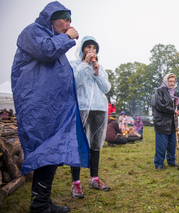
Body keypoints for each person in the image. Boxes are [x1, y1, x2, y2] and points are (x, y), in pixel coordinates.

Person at [11, 2, 89, 212]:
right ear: (51, 18)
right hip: (37, 107)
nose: (68, 23)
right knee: (45, 151)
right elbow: (46, 51)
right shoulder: (32, 32)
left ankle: (42, 202)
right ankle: (40, 206)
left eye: (70, 20)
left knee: (51, 153)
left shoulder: (52, 38)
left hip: (53, 108)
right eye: (64, 19)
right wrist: (68, 37)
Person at [69, 36, 111, 198]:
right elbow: (74, 83)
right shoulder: (75, 65)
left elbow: (106, 88)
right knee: (79, 145)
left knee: (95, 145)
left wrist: (97, 71)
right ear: (82, 49)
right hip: (82, 108)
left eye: (94, 48)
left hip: (99, 109)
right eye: (88, 47)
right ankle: (76, 183)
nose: (91, 50)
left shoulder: (100, 67)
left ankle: (94, 179)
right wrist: (85, 65)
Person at [152, 73, 179, 170]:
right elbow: (159, 105)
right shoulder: (159, 91)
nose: (172, 83)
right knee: (161, 145)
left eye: (173, 81)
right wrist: (172, 110)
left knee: (172, 144)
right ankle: (158, 164)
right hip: (161, 122)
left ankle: (171, 161)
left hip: (172, 123)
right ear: (166, 81)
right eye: (170, 81)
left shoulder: (176, 93)